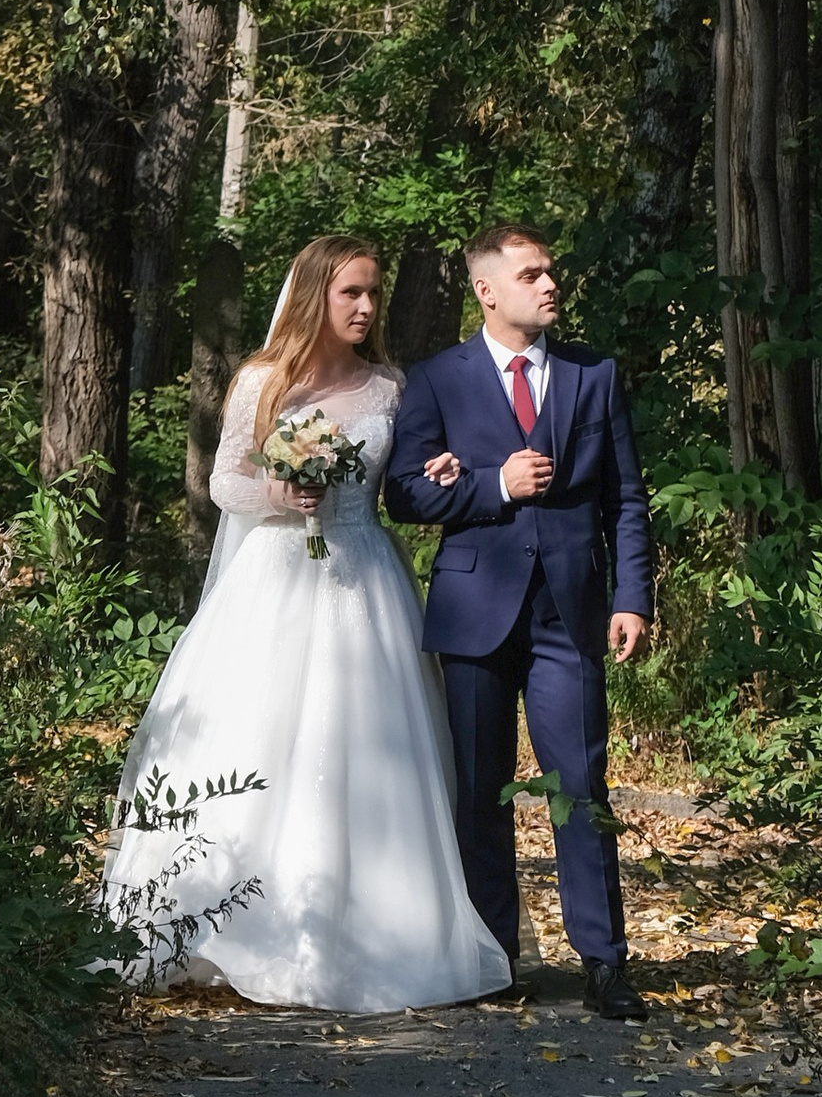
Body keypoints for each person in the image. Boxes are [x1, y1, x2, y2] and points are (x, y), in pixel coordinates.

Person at [97, 234, 507, 1014]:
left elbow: (402, 486)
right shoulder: (263, 379)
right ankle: (230, 921)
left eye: (374, 294)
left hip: (365, 581)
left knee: (360, 744)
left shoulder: (391, 385)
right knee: (258, 739)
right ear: (315, 294)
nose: (365, 307)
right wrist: (282, 496)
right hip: (275, 579)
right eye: (351, 292)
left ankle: (374, 932)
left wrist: (440, 472)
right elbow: (224, 482)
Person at [383, 220, 653, 1021]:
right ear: (486, 289)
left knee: (582, 785)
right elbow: (403, 493)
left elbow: (627, 498)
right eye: (531, 273)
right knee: (480, 792)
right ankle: (492, 958)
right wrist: (493, 483)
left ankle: (604, 963)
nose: (549, 284)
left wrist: (633, 595)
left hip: (571, 613)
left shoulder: (593, 374)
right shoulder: (437, 379)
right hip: (474, 611)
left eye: (550, 271)